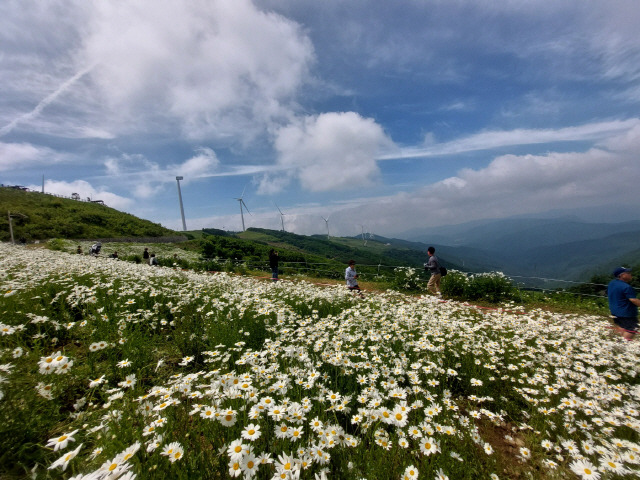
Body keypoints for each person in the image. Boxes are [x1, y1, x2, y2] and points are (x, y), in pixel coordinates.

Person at [607, 267, 640, 340]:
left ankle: (615, 342)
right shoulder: (626, 287)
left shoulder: (612, 283)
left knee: (621, 327)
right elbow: (633, 300)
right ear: (621, 275)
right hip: (626, 313)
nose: (631, 275)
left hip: (614, 311)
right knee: (632, 329)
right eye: (628, 273)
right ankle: (623, 345)